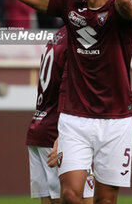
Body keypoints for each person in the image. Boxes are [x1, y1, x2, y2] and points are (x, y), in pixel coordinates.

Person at [12, 0, 132, 204]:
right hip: (74, 117)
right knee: (70, 195)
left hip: (116, 119)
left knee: (105, 200)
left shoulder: (121, 15)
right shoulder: (69, 7)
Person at [26, 26, 94, 204]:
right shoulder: (79, 38)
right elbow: (69, 89)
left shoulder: (57, 36)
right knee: (81, 198)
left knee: (49, 198)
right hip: (59, 130)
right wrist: (62, 135)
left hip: (39, 127)